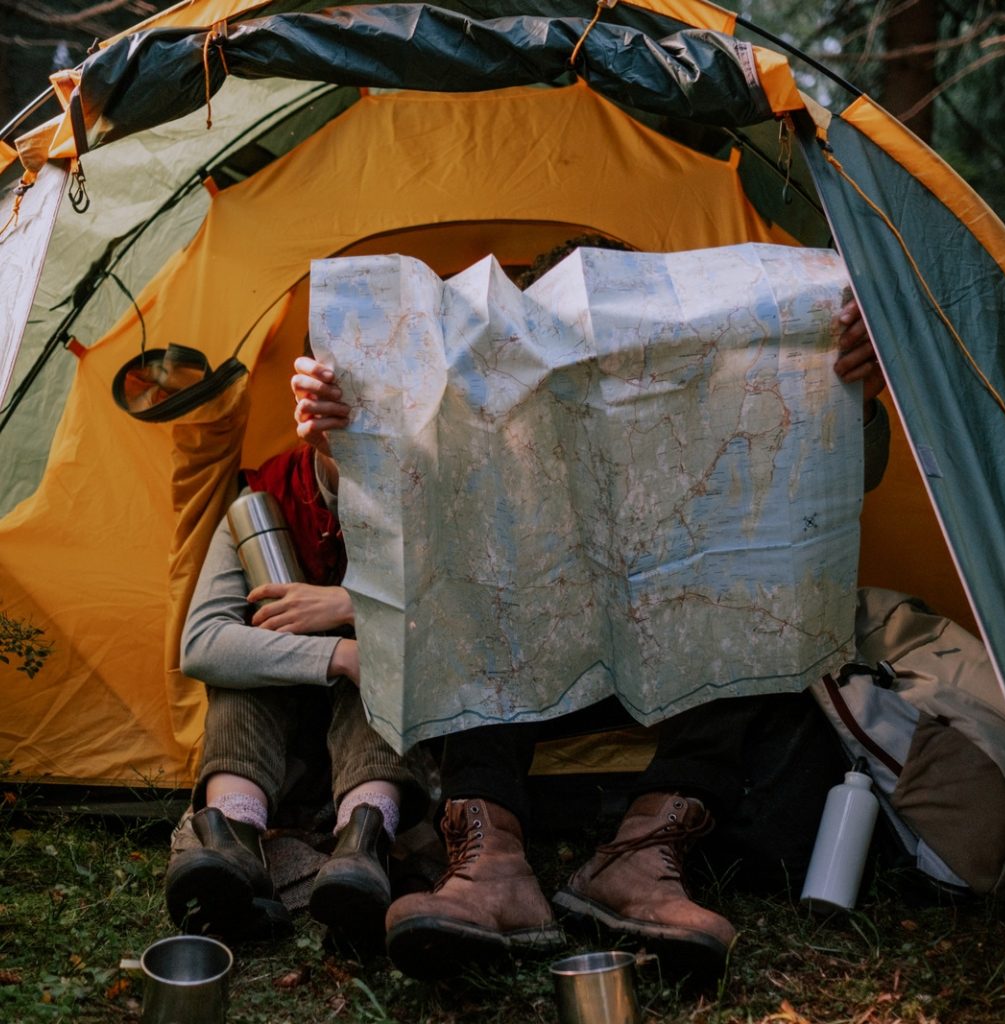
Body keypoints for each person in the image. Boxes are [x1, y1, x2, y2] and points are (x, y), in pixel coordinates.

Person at [290, 239, 890, 979]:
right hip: (529, 687)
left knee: (746, 601)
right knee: (472, 592)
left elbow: (820, 494)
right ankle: (492, 866)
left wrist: (849, 389)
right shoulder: (486, 407)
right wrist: (342, 437)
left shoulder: (703, 393)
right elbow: (407, 498)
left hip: (664, 689)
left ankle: (640, 858)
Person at [165, 427, 428, 949]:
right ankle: (233, 843)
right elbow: (202, 644)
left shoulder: (432, 491)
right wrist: (337, 655)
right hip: (278, 753)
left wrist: (349, 609)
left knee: (381, 663)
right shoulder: (265, 500)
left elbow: (465, 619)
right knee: (241, 672)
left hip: (383, 741)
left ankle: (363, 845)